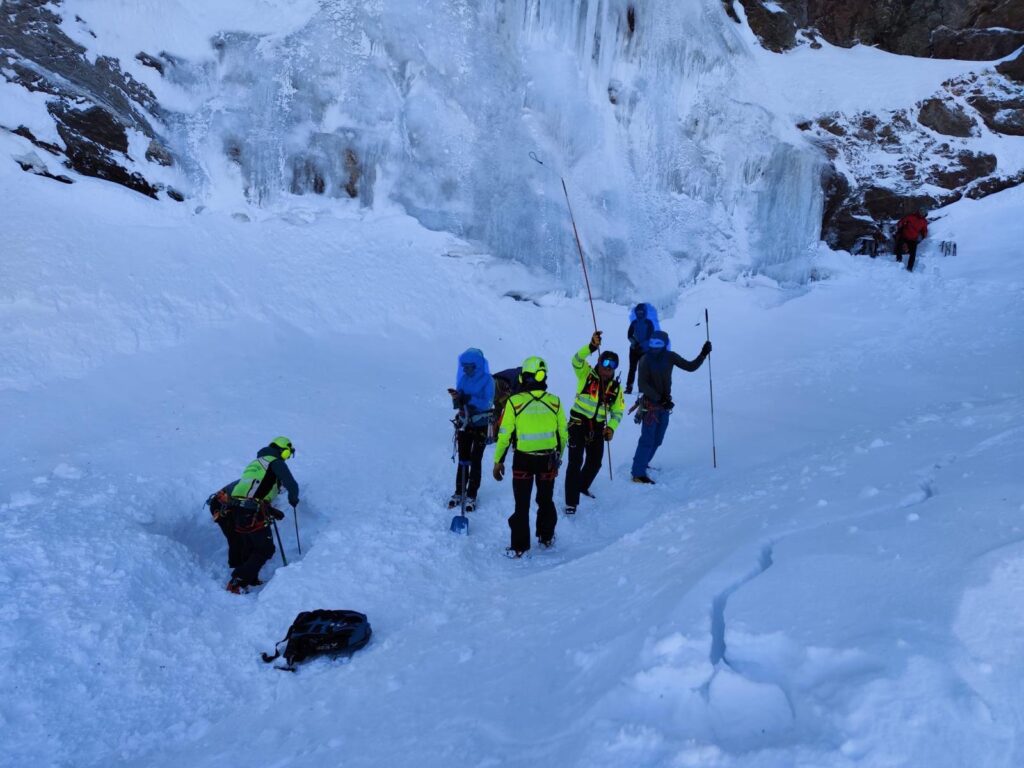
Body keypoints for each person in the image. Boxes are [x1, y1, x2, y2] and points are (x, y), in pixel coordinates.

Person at [493, 356, 568, 557]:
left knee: (522, 504)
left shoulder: (514, 402)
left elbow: (504, 434)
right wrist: (558, 457)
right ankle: (546, 536)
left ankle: (519, 547)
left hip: (523, 460)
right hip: (548, 460)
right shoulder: (555, 402)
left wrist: (498, 461)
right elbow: (563, 434)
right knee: (545, 500)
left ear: (523, 378)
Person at [631, 331, 711, 484]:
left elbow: (690, 366)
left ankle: (643, 462)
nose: (655, 346)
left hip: (664, 406)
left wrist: (703, 354)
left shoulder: (670, 357)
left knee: (658, 439)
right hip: (651, 406)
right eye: (653, 343)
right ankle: (637, 473)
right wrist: (659, 399)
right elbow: (642, 385)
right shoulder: (645, 359)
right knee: (647, 439)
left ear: (665, 344)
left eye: (659, 344)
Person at [225, 437, 300, 594]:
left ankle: (249, 578)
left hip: (237, 509)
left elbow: (255, 490)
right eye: (287, 454)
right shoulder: (275, 462)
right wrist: (293, 498)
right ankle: (238, 580)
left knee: (250, 544)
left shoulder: (257, 463)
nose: (286, 458)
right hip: (253, 510)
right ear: (283, 450)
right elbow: (291, 484)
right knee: (266, 549)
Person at [564, 331, 625, 514]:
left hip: (597, 428)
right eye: (604, 364)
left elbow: (618, 412)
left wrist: (611, 429)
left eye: (611, 366)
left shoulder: (615, 388)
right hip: (577, 423)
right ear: (598, 363)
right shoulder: (586, 374)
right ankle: (571, 502)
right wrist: (591, 346)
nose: (607, 369)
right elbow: (576, 359)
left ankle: (582, 486)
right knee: (575, 462)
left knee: (595, 462)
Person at [447, 348, 494, 512]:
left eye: (469, 366)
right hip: (463, 423)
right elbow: (459, 402)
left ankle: (472, 494)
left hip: (480, 425)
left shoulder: (488, 381)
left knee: (475, 459)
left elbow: (487, 402)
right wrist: (457, 398)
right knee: (463, 458)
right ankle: (459, 492)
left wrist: (469, 399)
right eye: (464, 366)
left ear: (478, 366)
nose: (466, 369)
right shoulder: (464, 379)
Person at [625, 303, 659, 394]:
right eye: (638, 312)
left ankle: (642, 388)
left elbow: (650, 337)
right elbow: (629, 335)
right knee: (632, 369)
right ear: (636, 313)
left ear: (645, 312)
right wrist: (635, 343)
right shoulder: (634, 323)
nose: (639, 314)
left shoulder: (649, 323)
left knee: (642, 370)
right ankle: (629, 387)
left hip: (644, 351)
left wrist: (641, 345)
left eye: (641, 312)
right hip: (633, 349)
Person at [207, 480, 241, 569]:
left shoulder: (249, 481)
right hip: (220, 506)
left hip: (224, 504)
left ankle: (238, 564)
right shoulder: (251, 485)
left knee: (237, 535)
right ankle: (235, 565)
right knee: (234, 536)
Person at [894, 208, 928, 273]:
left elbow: (924, 230)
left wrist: (924, 234)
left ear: (925, 214)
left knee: (913, 254)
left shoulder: (924, 221)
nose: (922, 213)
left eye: (924, 212)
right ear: (919, 211)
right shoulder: (911, 217)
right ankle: (898, 261)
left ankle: (909, 268)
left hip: (913, 239)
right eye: (921, 211)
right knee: (898, 247)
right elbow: (902, 221)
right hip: (904, 235)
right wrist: (900, 224)